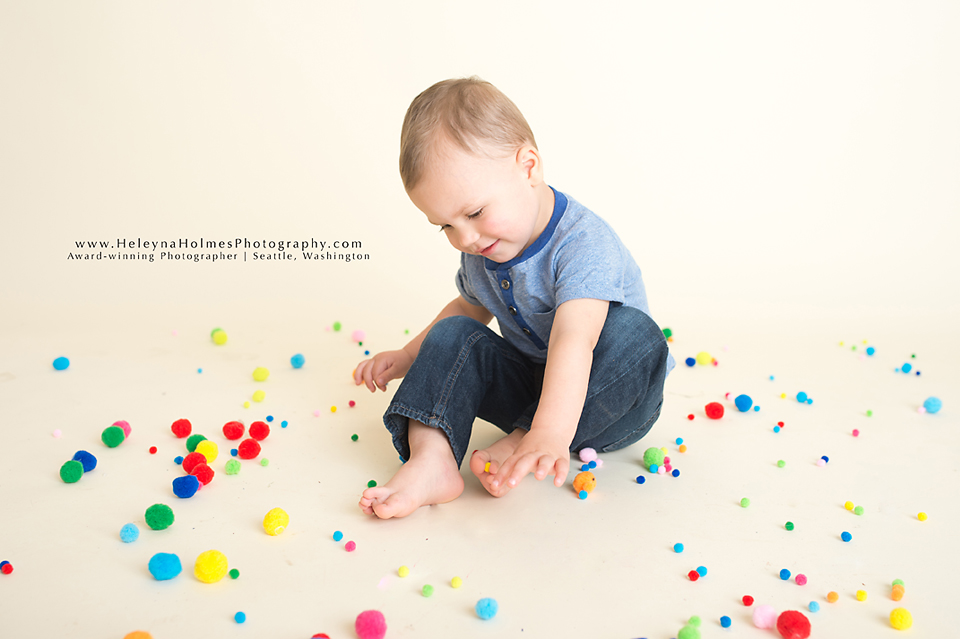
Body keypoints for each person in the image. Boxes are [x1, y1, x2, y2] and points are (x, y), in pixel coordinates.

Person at [354, 76, 674, 519]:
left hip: (607, 397)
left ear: (529, 168)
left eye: (474, 212)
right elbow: (468, 309)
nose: (464, 237)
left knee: (636, 336)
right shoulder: (484, 248)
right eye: (444, 226)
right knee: (454, 330)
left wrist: (546, 430)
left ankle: (526, 439)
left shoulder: (583, 244)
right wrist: (409, 355)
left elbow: (573, 342)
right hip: (532, 387)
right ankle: (432, 460)